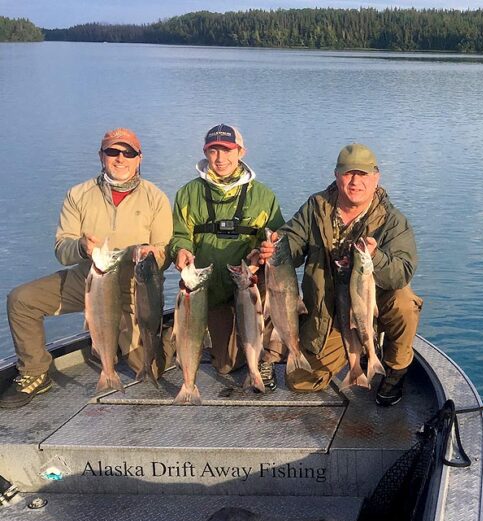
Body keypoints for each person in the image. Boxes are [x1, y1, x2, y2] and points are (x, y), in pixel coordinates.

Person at [1, 128, 172, 408]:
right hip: (87, 279)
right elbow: (62, 249)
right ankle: (34, 371)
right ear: (101, 156)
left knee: (149, 368)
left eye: (128, 153)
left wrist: (149, 254)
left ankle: (164, 334)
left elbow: (163, 253)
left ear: (139, 158)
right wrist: (82, 246)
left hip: (133, 289)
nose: (120, 158)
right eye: (112, 152)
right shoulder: (78, 194)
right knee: (21, 300)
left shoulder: (156, 197)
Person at [256, 143, 422, 405]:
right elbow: (293, 241)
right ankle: (354, 358)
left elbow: (402, 271)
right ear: (336, 175)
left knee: (404, 300)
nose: (355, 181)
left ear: (376, 177)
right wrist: (277, 247)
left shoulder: (392, 220)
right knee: (301, 382)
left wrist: (376, 257)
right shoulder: (316, 206)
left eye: (363, 174)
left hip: (370, 307)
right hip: (329, 311)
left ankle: (395, 368)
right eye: (348, 174)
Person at [169, 124, 285, 388]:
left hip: (249, 282)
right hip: (209, 287)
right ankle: (235, 339)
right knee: (224, 365)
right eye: (214, 151)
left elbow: (277, 237)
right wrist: (181, 249)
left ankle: (267, 357)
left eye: (227, 150)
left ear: (241, 151)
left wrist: (264, 252)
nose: (220, 159)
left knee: (277, 282)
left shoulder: (263, 195)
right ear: (205, 153)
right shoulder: (188, 193)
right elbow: (179, 234)